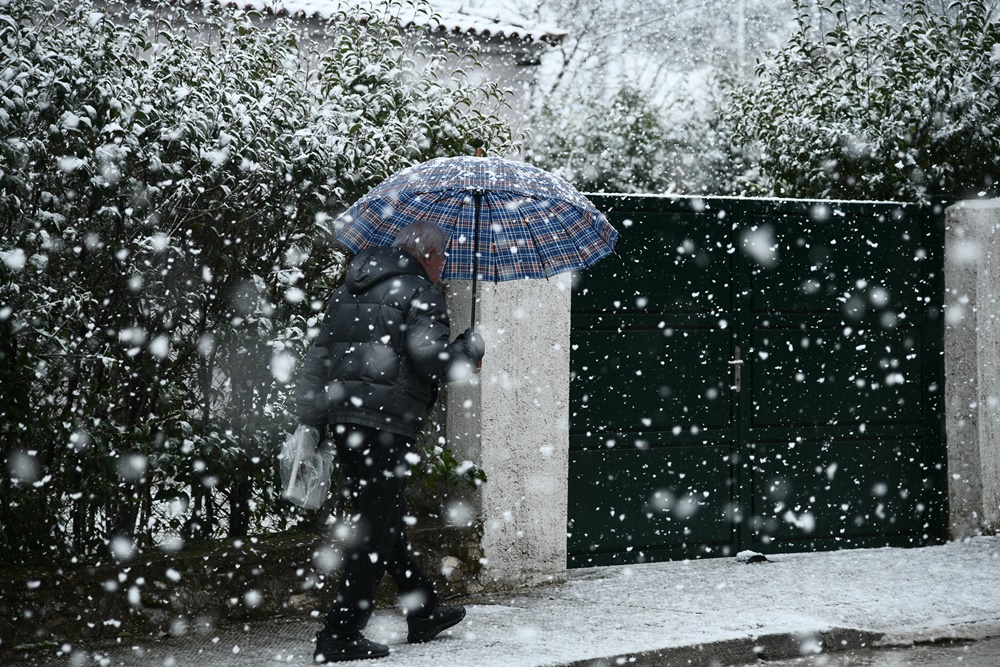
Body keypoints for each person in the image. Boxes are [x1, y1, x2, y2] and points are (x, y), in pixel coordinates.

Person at [296, 219, 485, 663]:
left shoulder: (350, 288)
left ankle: (424, 610)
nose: (444, 267)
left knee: (384, 516)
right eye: (443, 258)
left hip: (346, 421)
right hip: (385, 424)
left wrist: (313, 421)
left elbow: (319, 358)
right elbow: (429, 359)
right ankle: (340, 632)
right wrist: (468, 350)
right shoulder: (420, 291)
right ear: (430, 255)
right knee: (376, 528)